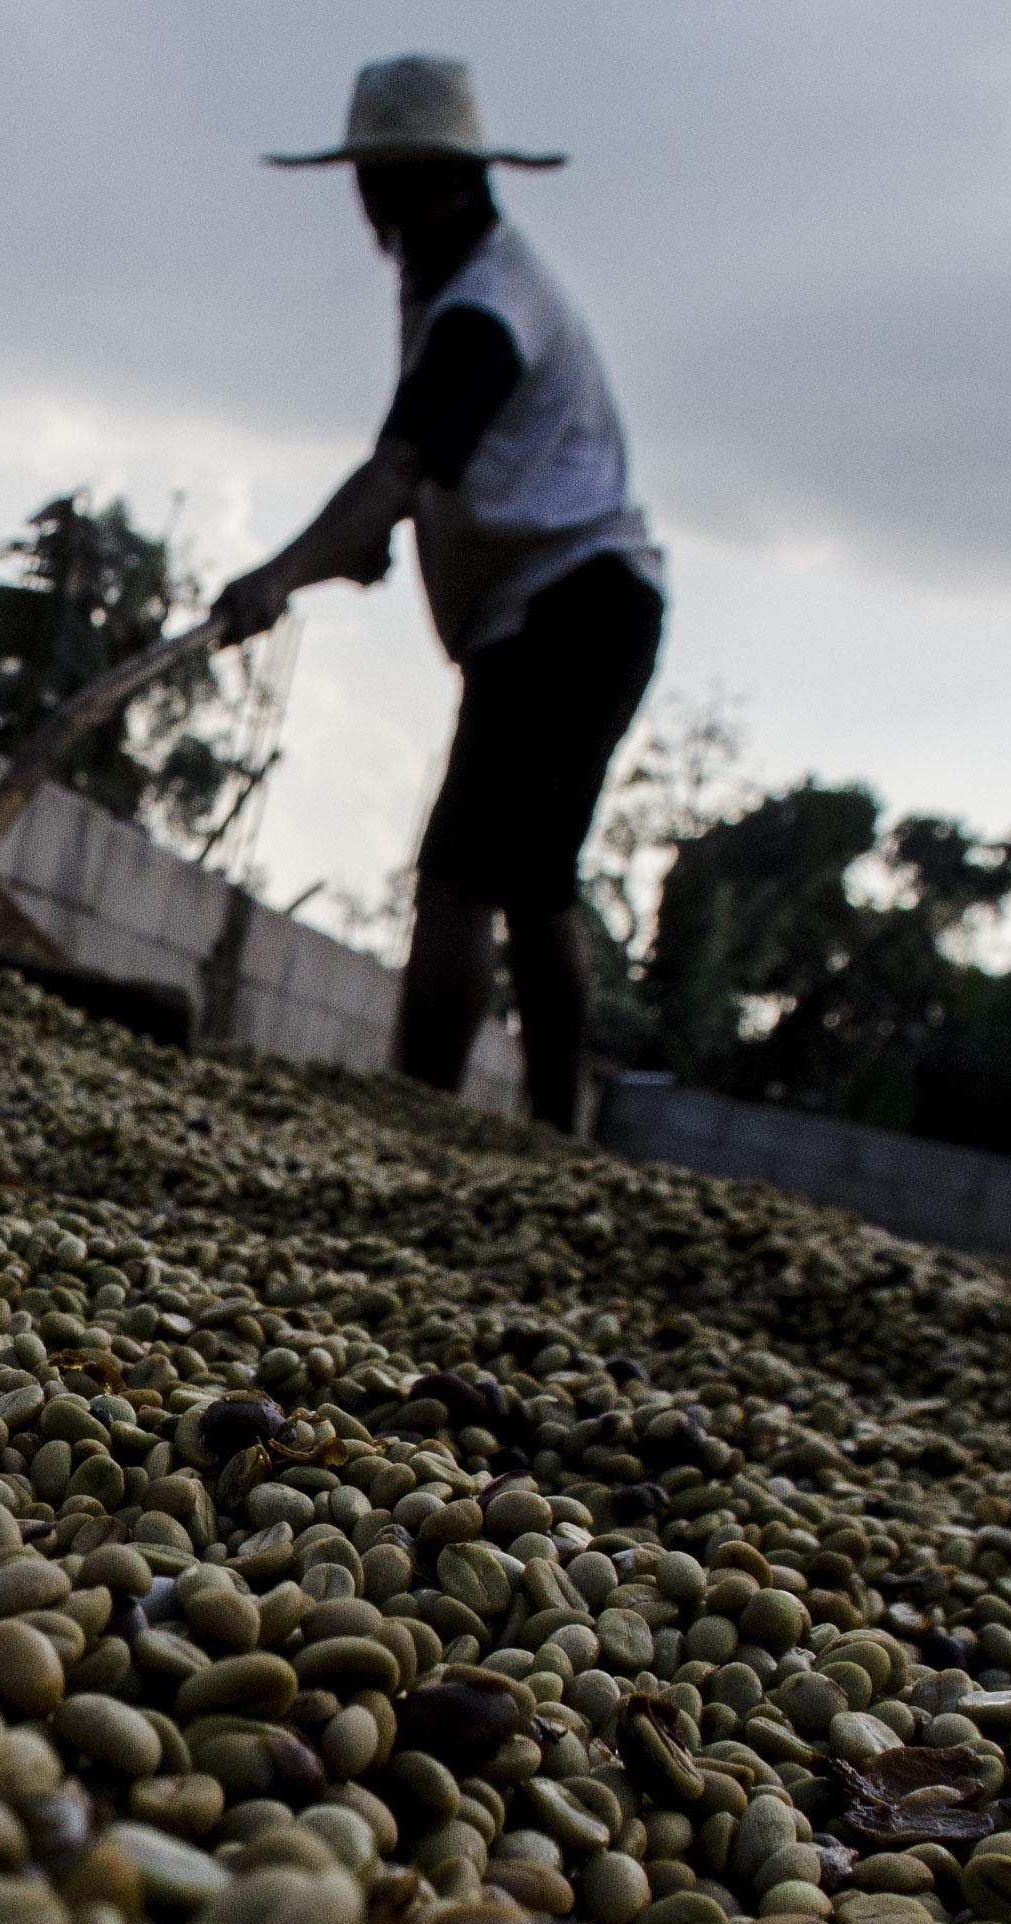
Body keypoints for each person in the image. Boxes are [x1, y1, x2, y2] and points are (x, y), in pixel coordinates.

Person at [212, 54, 665, 1130]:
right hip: (553, 607)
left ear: (454, 181)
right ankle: (556, 1136)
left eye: (396, 180)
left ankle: (420, 1123)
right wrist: (369, 540)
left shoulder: (485, 305)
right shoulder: (444, 284)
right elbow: (439, 472)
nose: (377, 206)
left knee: (465, 873)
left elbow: (402, 466)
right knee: (532, 878)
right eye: (369, 181)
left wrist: (276, 575)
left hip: (571, 604)